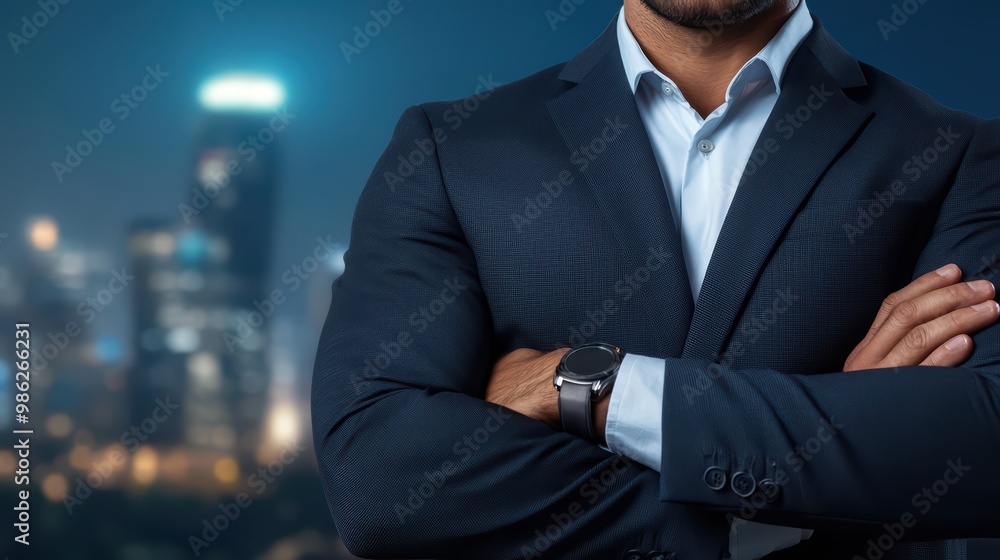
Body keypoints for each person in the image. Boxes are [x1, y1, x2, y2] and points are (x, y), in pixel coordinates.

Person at [311, 1, 1000, 558]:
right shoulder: (451, 150)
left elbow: (984, 450)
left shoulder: (960, 156)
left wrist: (589, 386)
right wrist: (810, 476)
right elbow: (378, 480)